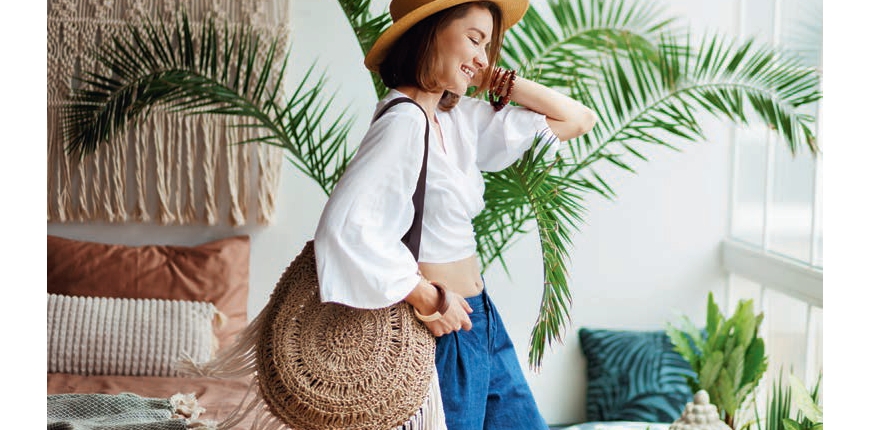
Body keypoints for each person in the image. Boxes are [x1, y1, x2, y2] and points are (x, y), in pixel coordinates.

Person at [313, 0, 597, 428]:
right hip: (439, 327)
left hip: (480, 317)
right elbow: (344, 227)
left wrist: (492, 76)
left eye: (488, 46)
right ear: (430, 32)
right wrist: (429, 298)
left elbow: (577, 119)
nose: (483, 56)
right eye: (474, 39)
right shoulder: (404, 120)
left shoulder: (455, 118)